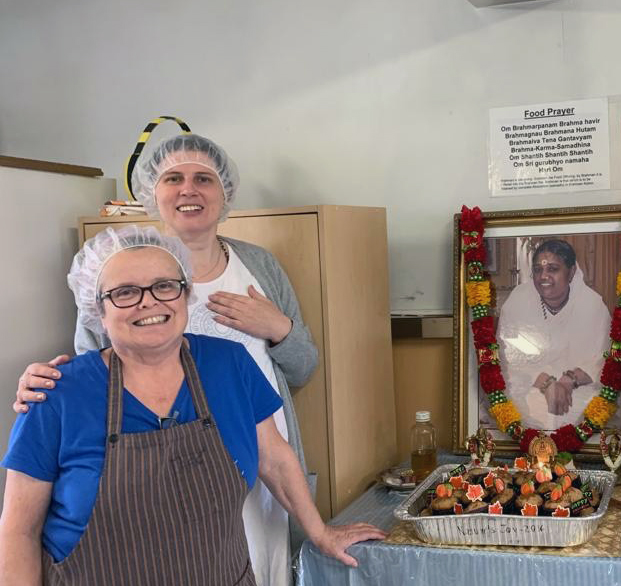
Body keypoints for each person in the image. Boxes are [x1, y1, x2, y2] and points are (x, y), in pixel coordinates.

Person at [0, 226, 385, 586]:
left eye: (164, 286)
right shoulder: (57, 393)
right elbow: (19, 531)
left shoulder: (228, 363)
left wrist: (319, 532)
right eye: (124, 292)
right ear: (98, 310)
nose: (147, 302)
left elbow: (275, 459)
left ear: (185, 294)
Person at [12, 134, 317, 586]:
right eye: (173, 178)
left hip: (253, 464)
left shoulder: (258, 270)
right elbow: (92, 374)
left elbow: (303, 369)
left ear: (225, 192)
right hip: (136, 501)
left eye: (203, 178)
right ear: (152, 192)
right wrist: (43, 386)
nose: (188, 190)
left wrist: (278, 328)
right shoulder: (108, 269)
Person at [494, 238, 621, 432]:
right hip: (529, 381)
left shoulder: (592, 304)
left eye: (552, 269)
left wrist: (568, 381)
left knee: (585, 408)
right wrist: (545, 382)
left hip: (581, 384)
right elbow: (506, 355)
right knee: (522, 407)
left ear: (571, 273)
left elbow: (603, 360)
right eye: (537, 270)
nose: (543, 276)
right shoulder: (518, 300)